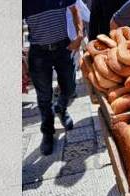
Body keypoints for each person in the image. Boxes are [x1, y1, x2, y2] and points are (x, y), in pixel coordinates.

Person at [24, 0, 84, 156]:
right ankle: (48, 133)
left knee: (70, 88)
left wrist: (79, 35)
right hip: (38, 53)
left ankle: (61, 108)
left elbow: (75, 10)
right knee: (44, 97)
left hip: (63, 48)